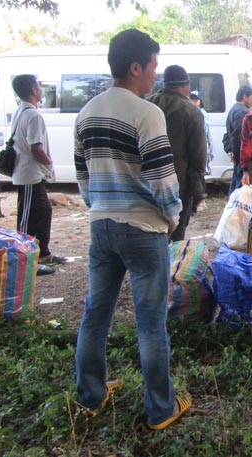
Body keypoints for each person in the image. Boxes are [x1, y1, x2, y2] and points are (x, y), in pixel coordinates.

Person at [74, 29, 190, 430]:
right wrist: (173, 216)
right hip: (143, 228)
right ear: (136, 67)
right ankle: (160, 408)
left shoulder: (86, 113)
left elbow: (83, 178)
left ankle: (91, 396)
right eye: (154, 65)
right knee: (151, 322)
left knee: (95, 313)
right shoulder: (147, 113)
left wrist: (100, 208)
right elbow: (162, 178)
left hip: (101, 226)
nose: (156, 74)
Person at [10, 74, 64, 276]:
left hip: (31, 174)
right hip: (29, 174)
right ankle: (25, 261)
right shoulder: (33, 115)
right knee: (27, 219)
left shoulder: (21, 111)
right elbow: (36, 148)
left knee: (44, 211)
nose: (41, 90)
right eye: (39, 87)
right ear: (34, 90)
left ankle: (43, 253)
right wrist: (49, 163)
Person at [147, 65, 208, 242]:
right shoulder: (191, 111)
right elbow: (198, 157)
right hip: (178, 185)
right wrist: (198, 190)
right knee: (176, 236)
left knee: (150, 233)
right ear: (186, 86)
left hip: (146, 183)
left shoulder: (147, 105)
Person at [224, 85, 252, 196]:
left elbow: (228, 134)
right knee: (240, 187)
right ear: (245, 96)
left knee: (235, 185)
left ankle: (231, 204)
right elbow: (238, 136)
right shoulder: (242, 112)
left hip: (237, 154)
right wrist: (240, 157)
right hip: (241, 156)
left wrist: (230, 150)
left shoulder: (233, 109)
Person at [189, 91, 212, 214]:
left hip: (201, 148)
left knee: (199, 174)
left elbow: (206, 135)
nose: (194, 102)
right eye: (192, 99)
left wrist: (209, 151)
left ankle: (200, 201)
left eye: (196, 100)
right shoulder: (189, 112)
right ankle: (198, 201)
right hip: (195, 148)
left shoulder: (202, 114)